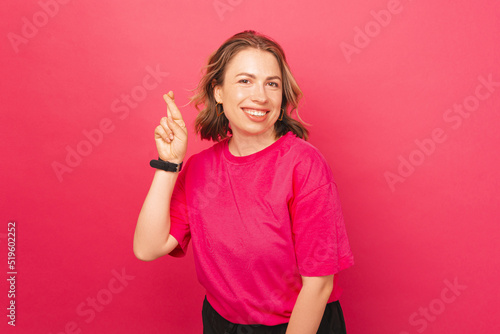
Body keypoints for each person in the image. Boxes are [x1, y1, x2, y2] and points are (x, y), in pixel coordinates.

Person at [133, 30, 354, 334]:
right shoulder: (200, 168)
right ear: (219, 92)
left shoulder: (304, 165)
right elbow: (148, 247)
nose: (260, 96)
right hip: (221, 324)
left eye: (272, 84)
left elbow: (318, 286)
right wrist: (169, 166)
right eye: (245, 81)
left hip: (299, 324)